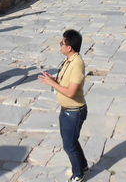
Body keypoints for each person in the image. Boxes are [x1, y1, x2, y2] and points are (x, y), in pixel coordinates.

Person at [38, 29, 89, 182]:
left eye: (62, 43)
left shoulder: (77, 64)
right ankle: (83, 166)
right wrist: (54, 80)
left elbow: (71, 92)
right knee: (72, 141)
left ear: (69, 47)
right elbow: (66, 83)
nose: (60, 45)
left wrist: (52, 83)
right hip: (67, 110)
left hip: (74, 111)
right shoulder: (70, 60)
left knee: (69, 145)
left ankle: (78, 175)